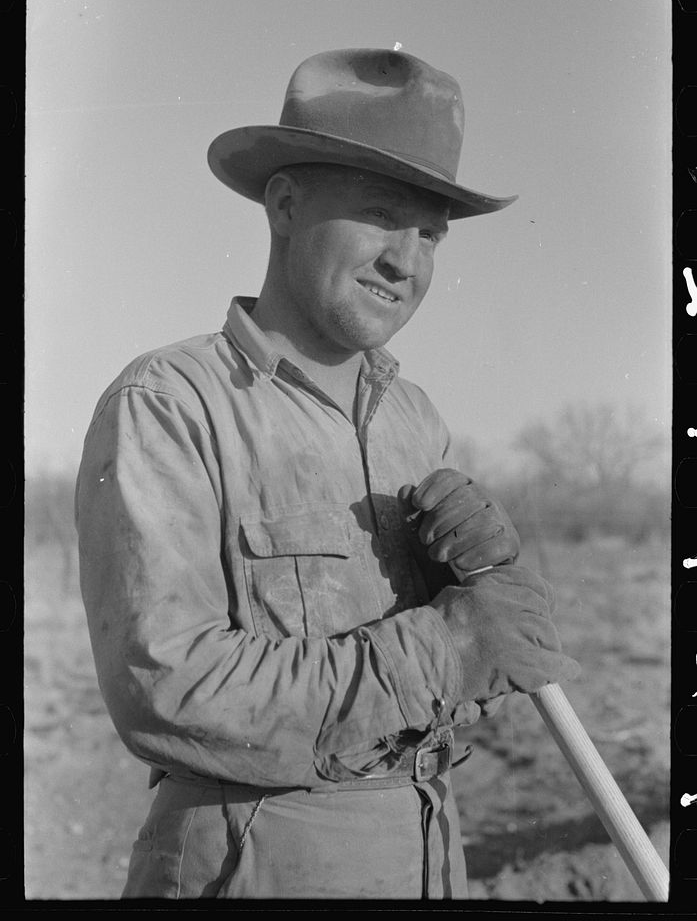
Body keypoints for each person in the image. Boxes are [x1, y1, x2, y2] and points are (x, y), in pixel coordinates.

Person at [75, 47, 579, 901]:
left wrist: (483, 586)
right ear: (282, 203)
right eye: (382, 215)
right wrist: (445, 648)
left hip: (429, 851)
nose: (406, 262)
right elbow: (167, 690)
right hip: (254, 867)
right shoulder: (171, 404)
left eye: (428, 234)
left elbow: (455, 683)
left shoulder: (414, 418)